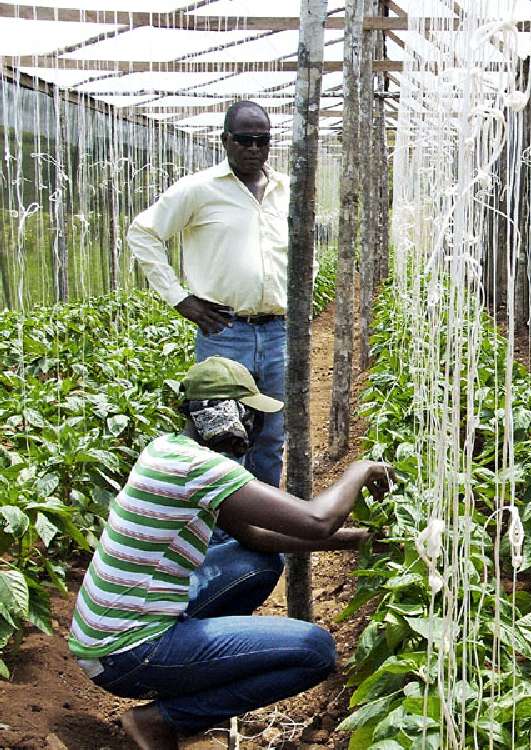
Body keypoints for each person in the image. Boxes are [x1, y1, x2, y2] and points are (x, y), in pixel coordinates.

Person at [68, 356, 394, 750]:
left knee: (256, 564)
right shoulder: (200, 468)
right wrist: (358, 469)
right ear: (227, 414)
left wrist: (358, 538)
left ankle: (202, 676)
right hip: (126, 652)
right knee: (314, 651)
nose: (257, 425)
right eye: (251, 413)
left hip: (110, 630)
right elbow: (317, 519)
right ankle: (161, 719)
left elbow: (255, 538)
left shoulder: (170, 449)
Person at [127, 100, 304, 488]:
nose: (254, 148)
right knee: (223, 436)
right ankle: (223, 541)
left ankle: (263, 536)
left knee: (271, 438)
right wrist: (179, 298)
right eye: (244, 139)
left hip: (277, 332)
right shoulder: (198, 190)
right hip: (226, 332)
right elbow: (143, 232)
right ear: (225, 140)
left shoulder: (285, 190)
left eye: (262, 140)